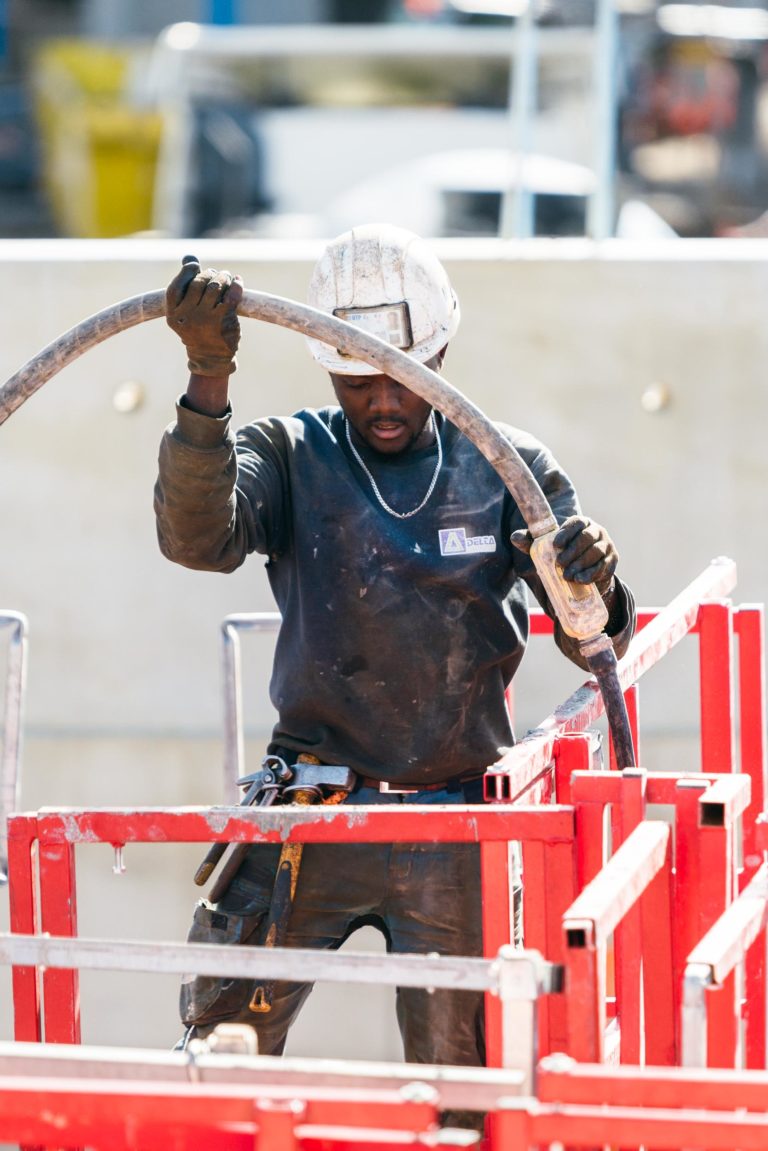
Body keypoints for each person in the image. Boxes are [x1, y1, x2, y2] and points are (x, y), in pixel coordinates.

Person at [155, 223, 635, 1126]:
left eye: (399, 375)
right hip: (310, 808)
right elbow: (197, 536)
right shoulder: (292, 454)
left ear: (441, 351)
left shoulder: (506, 468)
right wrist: (207, 378)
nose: (380, 399)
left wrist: (594, 577)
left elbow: (593, 638)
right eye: (355, 376)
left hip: (456, 823)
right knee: (217, 1063)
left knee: (469, 1098)